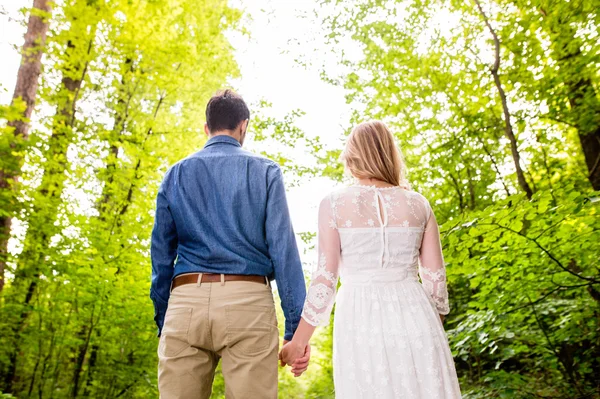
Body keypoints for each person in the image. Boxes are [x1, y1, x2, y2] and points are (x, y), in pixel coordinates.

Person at [280, 121, 462, 398]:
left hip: (359, 317)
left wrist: (298, 341)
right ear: (390, 154)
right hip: (417, 315)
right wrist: (429, 329)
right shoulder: (419, 204)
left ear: (352, 157)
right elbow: (436, 281)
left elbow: (325, 280)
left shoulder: (334, 203)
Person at [150, 89, 309, 399]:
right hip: (247, 303)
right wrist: (295, 331)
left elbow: (160, 256)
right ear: (244, 126)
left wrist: (164, 316)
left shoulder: (175, 175)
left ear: (206, 128)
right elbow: (283, 250)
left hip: (185, 302)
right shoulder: (266, 172)